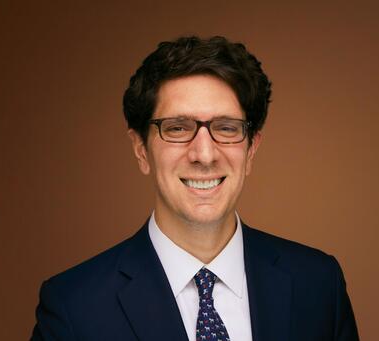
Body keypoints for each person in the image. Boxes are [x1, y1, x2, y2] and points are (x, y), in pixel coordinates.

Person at [31, 36, 359, 341]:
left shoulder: (318, 285)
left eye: (226, 128)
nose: (204, 154)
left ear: (251, 149)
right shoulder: (73, 307)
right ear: (141, 149)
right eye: (177, 128)